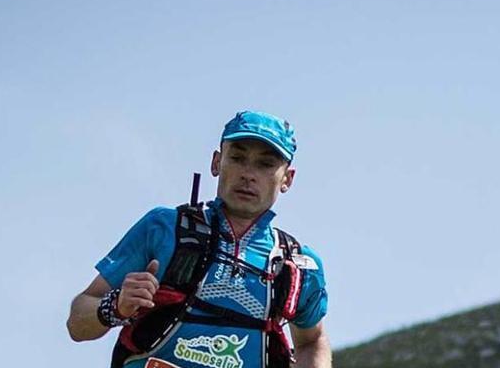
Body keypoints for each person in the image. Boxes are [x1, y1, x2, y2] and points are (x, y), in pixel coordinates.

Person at [67, 111, 331, 368]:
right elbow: (77, 322)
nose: (248, 174)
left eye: (265, 164)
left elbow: (312, 341)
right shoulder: (163, 227)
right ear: (217, 162)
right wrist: (116, 306)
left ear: (287, 178)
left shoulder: (298, 266)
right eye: (238, 158)